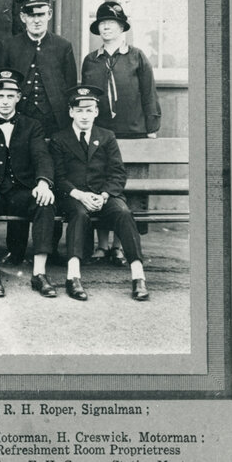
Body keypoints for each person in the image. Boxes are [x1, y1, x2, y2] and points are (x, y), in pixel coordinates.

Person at [50, 85, 150, 301]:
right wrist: (79, 195)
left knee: (123, 212)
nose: (84, 116)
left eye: (89, 110)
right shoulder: (59, 139)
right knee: (79, 214)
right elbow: (58, 177)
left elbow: (117, 173)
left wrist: (104, 195)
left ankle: (138, 275)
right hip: (73, 197)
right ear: (71, 112)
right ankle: (73, 276)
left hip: (103, 196)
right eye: (79, 110)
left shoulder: (106, 136)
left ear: (96, 111)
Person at [80, 0, 162, 263]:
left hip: (134, 133)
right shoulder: (91, 60)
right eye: (102, 23)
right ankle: (102, 245)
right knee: (101, 185)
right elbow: (86, 100)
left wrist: (151, 128)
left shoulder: (137, 57)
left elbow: (149, 93)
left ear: (121, 27)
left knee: (130, 191)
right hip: (101, 133)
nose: (107, 27)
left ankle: (120, 246)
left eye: (112, 23)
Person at [0, 68, 56, 298]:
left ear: (18, 97)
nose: (5, 101)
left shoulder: (32, 125)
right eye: (0, 95)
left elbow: (42, 157)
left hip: (22, 191)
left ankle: (39, 273)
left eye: (10, 95)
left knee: (44, 203)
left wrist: (43, 183)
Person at [0, 0, 76, 139]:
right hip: (20, 117)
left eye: (40, 15)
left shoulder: (63, 46)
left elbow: (70, 86)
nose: (36, 20)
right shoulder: (9, 46)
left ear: (49, 15)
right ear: (23, 17)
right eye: (31, 15)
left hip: (54, 120)